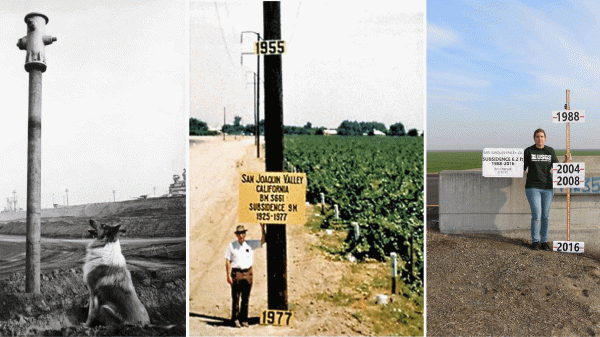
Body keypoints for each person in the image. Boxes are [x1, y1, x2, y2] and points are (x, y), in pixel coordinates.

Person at [524, 128, 568, 251]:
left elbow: (557, 168)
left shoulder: (550, 151)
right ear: (534, 138)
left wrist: (566, 161)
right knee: (537, 215)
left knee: (545, 215)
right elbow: (521, 167)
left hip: (548, 188)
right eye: (537, 136)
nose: (540, 139)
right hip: (533, 187)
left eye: (542, 136)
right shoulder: (528, 151)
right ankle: (535, 241)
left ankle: (544, 241)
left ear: (545, 138)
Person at [224, 223, 266, 327]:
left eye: (242, 233)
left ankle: (244, 319)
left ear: (245, 234)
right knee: (236, 297)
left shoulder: (250, 244)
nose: (241, 236)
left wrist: (262, 228)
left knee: (246, 298)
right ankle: (235, 319)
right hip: (237, 273)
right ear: (236, 235)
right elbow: (227, 260)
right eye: (239, 234)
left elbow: (263, 241)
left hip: (248, 273)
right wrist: (228, 275)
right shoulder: (231, 245)